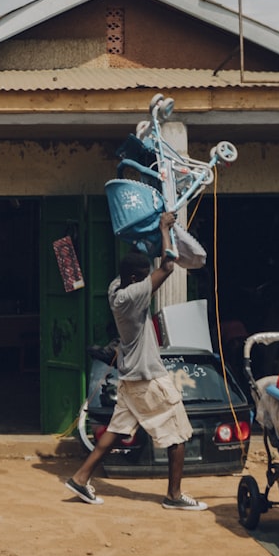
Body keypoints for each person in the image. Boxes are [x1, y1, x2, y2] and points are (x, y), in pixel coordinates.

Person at [65, 212, 207, 511]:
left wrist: (148, 239)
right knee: (179, 435)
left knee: (114, 432)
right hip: (148, 377)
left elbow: (144, 264)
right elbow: (168, 266)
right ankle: (174, 495)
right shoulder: (132, 294)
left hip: (130, 377)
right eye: (144, 275)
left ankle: (80, 479)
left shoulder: (115, 288)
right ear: (134, 278)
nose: (147, 279)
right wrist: (165, 229)